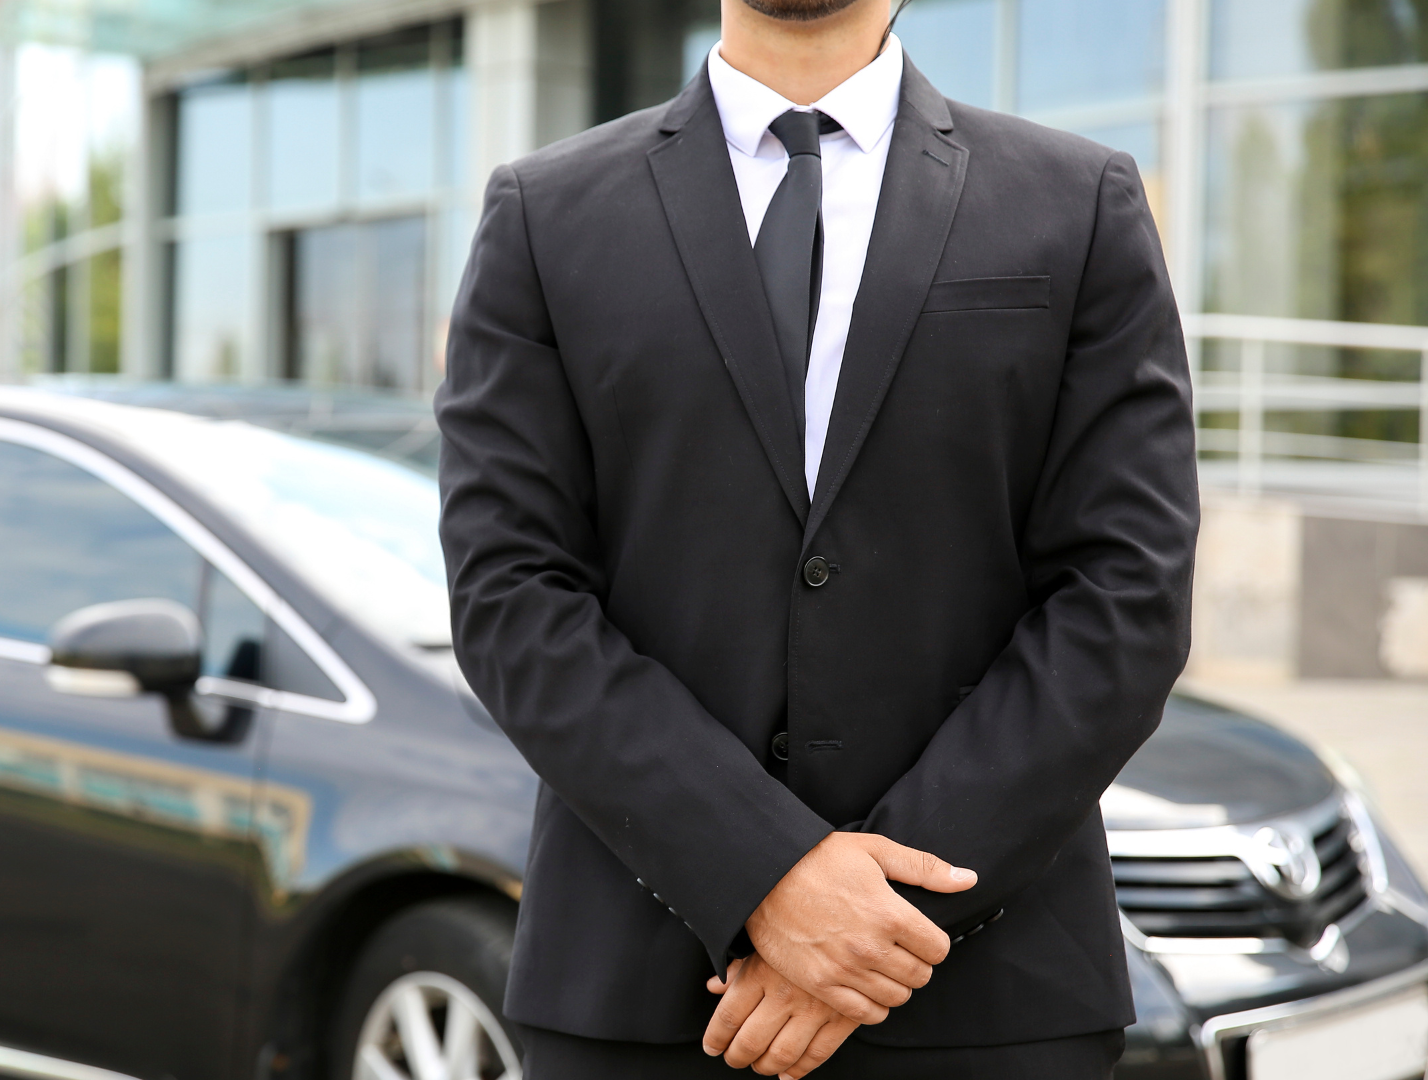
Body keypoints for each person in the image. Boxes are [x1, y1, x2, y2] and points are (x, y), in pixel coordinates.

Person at [434, 0, 1199, 1075]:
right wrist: (762, 874)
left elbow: (1127, 594)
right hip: (647, 998)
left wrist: (874, 915)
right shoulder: (543, 214)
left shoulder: (1079, 203)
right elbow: (511, 595)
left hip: (988, 995)